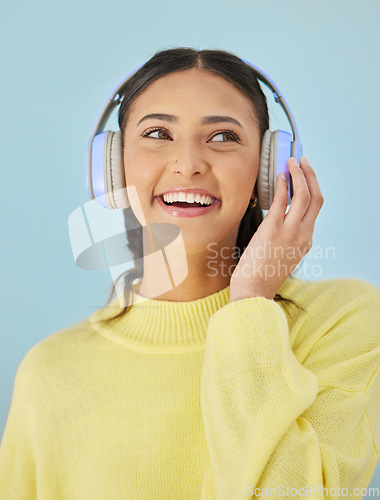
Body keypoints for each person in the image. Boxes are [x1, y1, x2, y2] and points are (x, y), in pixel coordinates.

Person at [0, 47, 379, 499]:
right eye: (158, 132)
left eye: (222, 137)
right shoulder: (50, 373)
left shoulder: (344, 322)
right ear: (112, 168)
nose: (189, 163)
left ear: (268, 170)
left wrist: (251, 302)